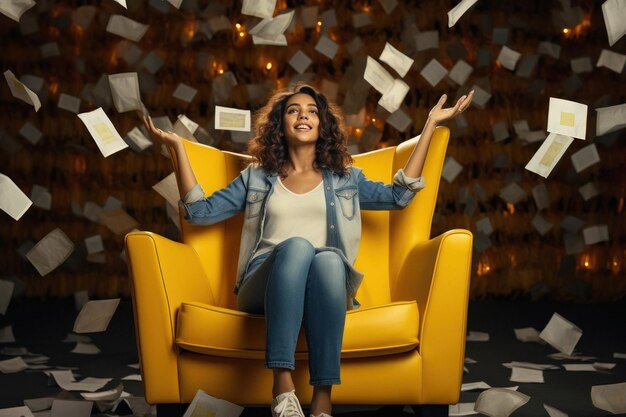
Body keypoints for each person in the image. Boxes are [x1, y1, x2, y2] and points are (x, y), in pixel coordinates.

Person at [143, 83, 474, 417]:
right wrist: (177, 148)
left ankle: (322, 400)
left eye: (312, 111)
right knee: (299, 246)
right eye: (293, 110)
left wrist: (430, 124)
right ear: (280, 125)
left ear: (322, 125)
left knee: (331, 259)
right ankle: (282, 387)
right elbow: (199, 213)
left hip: (326, 286)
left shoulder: (346, 178)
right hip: (263, 286)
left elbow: (399, 196)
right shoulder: (257, 177)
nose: (304, 115)